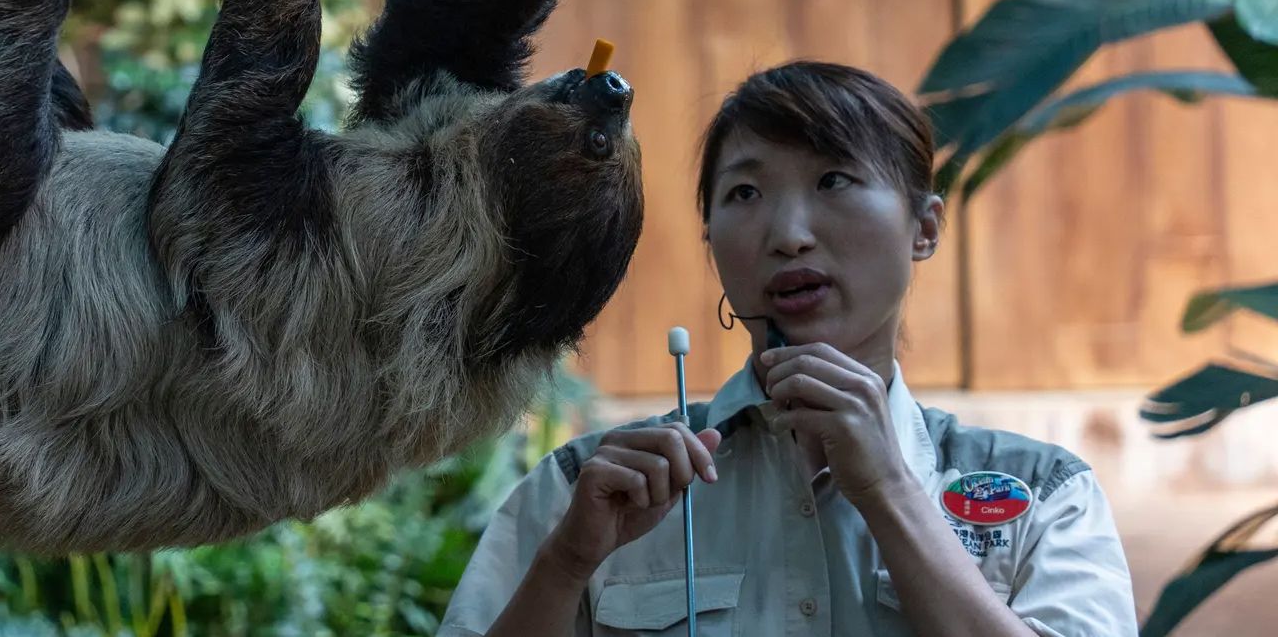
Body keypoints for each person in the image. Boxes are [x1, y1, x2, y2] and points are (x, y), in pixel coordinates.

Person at [435, 60, 1137, 636]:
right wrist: (566, 563)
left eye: (834, 180)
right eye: (745, 192)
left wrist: (888, 490)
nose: (789, 233)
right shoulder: (585, 490)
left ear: (924, 227)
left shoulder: (1046, 495)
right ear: (711, 245)